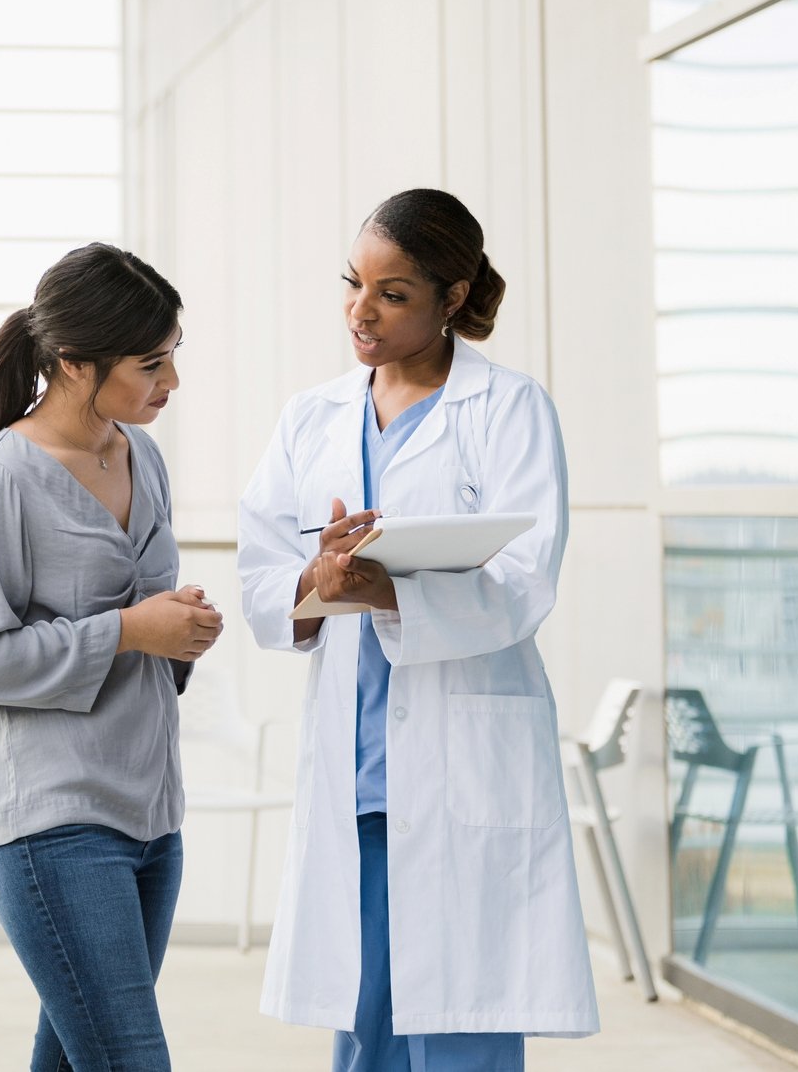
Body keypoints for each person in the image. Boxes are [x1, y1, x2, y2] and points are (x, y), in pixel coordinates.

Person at [238, 189, 598, 1070]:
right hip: (356, 766)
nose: (361, 311)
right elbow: (260, 575)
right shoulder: (310, 417)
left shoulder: (508, 409)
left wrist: (390, 594)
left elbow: (524, 579)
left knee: (462, 1021)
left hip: (462, 752)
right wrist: (315, 581)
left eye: (393, 294)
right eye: (353, 284)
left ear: (452, 297)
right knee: (366, 1023)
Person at [0, 242, 221, 1072]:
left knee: (74, 1059)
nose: (169, 383)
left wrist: (180, 633)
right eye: (150, 363)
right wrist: (129, 631)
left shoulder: (140, 456)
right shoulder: (3, 478)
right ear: (71, 362)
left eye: (172, 358)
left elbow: (147, 624)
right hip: (51, 825)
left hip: (152, 816)